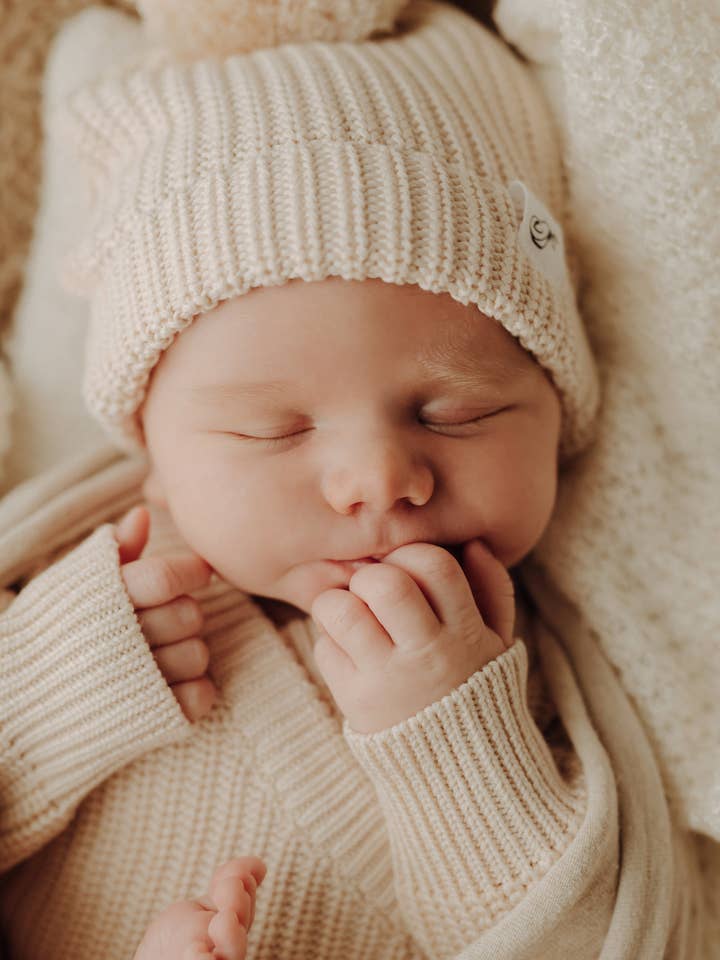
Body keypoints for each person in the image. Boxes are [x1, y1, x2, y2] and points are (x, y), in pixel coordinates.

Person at [0, 1, 702, 958]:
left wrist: (455, 743)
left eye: (455, 412)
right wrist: (44, 691)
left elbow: (623, 942)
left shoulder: (520, 672)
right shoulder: (66, 584)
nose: (379, 479)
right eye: (272, 428)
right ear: (151, 447)